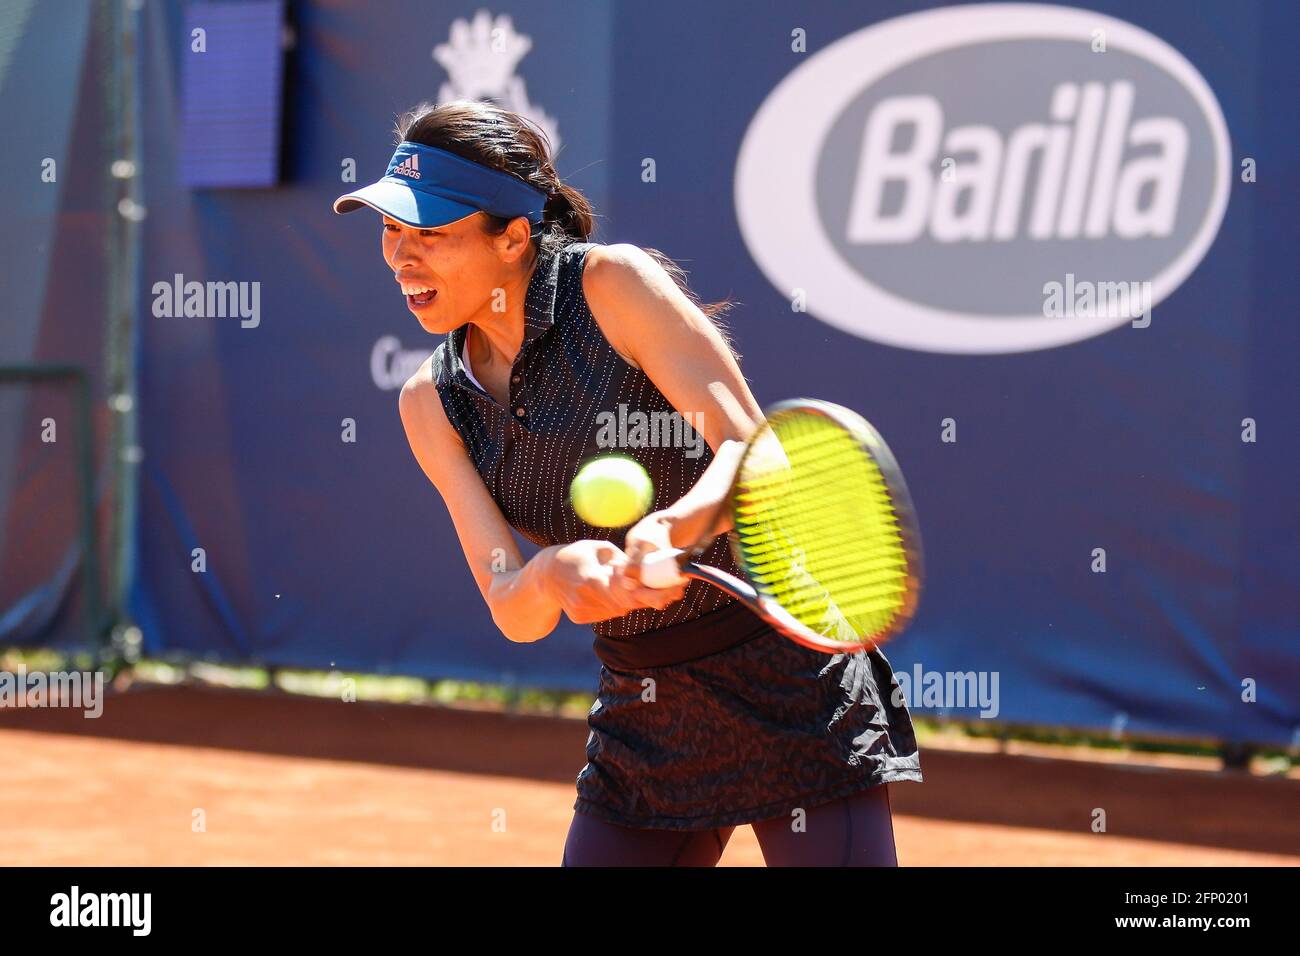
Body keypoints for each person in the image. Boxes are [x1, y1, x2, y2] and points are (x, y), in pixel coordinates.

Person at [334, 99, 921, 866]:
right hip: (645, 710)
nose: (402, 257)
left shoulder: (613, 286)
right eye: (392, 231)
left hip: (788, 680)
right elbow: (514, 607)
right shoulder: (431, 402)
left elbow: (755, 451)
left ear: (513, 237)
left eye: (432, 235)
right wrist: (552, 572)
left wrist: (679, 528)